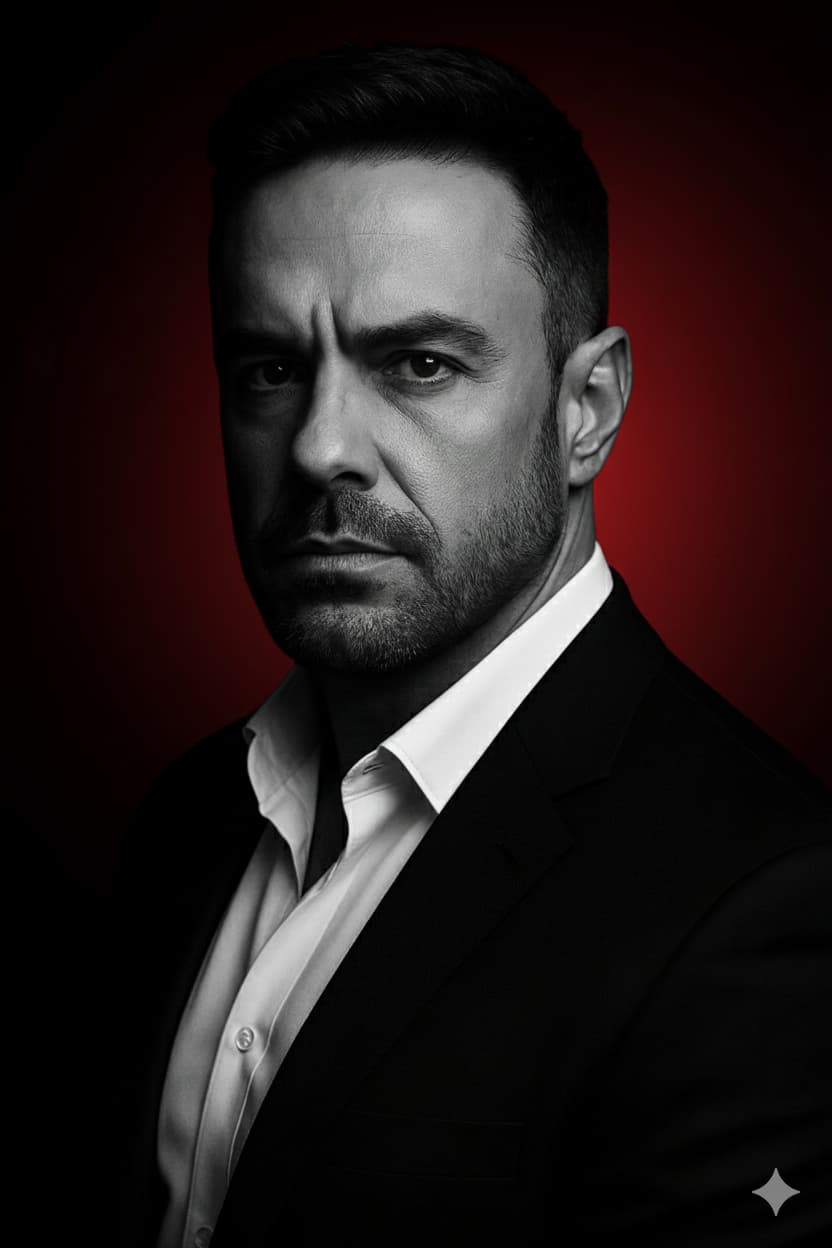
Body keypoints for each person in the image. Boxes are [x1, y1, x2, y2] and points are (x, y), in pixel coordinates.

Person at [112, 42, 831, 1248]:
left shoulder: (762, 906)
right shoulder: (187, 819)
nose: (319, 448)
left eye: (420, 364)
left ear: (586, 410)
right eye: (271, 369)